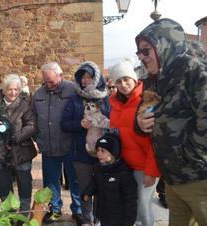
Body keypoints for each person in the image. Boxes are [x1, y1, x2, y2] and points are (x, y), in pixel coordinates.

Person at [135, 18, 207, 225]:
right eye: (139, 52)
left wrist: (187, 157)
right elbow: (142, 120)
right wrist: (139, 124)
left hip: (199, 179)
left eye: (146, 50)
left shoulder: (196, 71)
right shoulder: (157, 79)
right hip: (172, 178)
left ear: (164, 45)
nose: (141, 57)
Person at [108, 59, 160, 226]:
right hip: (124, 165)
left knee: (143, 206)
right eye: (118, 81)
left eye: (126, 79)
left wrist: (151, 170)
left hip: (145, 167)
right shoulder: (115, 103)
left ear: (134, 78)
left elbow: (156, 140)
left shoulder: (147, 101)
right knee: (131, 205)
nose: (123, 84)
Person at [32, 62, 82, 224]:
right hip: (48, 146)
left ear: (61, 76)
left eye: (51, 81)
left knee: (74, 180)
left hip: (70, 145)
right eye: (45, 81)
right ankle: (55, 210)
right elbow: (33, 119)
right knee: (51, 181)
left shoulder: (73, 89)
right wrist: (38, 139)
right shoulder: (38, 94)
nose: (48, 85)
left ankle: (78, 209)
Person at [61, 61, 110, 225]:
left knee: (102, 189)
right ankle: (86, 220)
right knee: (85, 189)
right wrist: (80, 124)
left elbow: (114, 122)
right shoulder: (74, 99)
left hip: (104, 154)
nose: (85, 81)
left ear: (96, 78)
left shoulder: (106, 99)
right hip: (81, 154)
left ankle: (99, 219)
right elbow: (64, 124)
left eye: (89, 77)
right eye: (82, 77)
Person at [0, 73, 37, 214]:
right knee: (2, 182)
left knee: (24, 181)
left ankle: (24, 211)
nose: (13, 92)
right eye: (9, 89)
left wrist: (15, 136)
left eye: (16, 89)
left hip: (21, 150)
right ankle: (10, 212)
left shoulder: (26, 105)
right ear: (4, 89)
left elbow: (31, 125)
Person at [82, 133, 137, 226]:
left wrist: (129, 222)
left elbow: (130, 200)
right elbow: (95, 182)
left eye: (102, 151)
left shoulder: (124, 173)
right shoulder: (99, 168)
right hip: (103, 214)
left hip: (119, 219)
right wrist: (87, 193)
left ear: (113, 153)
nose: (98, 154)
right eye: (97, 150)